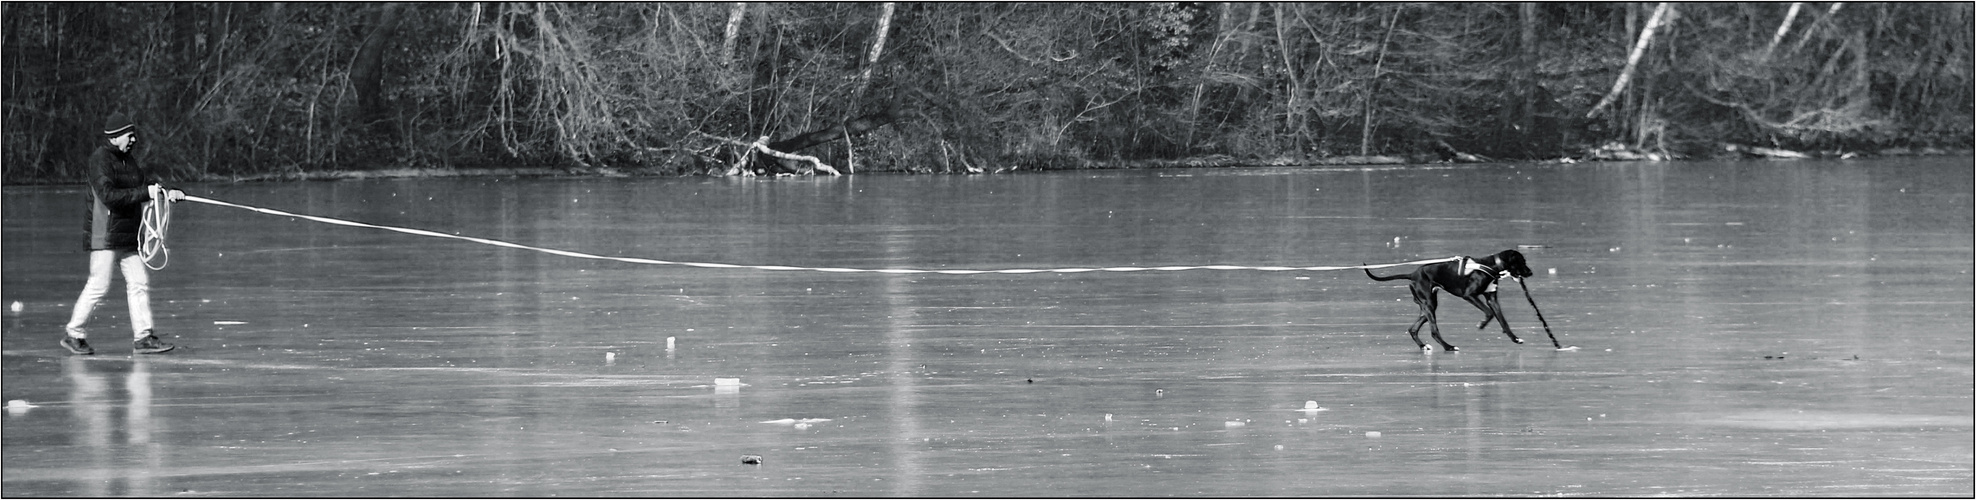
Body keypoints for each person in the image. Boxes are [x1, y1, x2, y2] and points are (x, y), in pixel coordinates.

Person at [60, 112, 184, 355]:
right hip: (104, 235)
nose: (134, 140)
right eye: (130, 135)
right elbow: (109, 197)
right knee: (99, 285)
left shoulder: (129, 161)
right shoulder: (100, 160)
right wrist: (146, 193)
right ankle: (74, 333)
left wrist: (166, 193)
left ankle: (143, 337)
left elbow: (144, 187)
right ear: (115, 138)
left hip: (128, 236)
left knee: (139, 282)